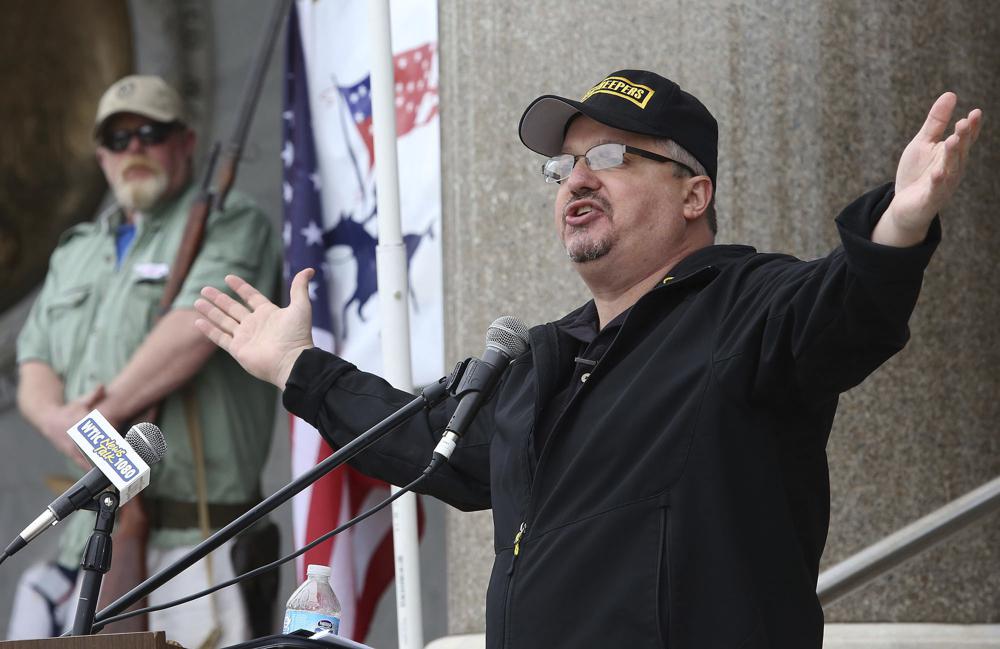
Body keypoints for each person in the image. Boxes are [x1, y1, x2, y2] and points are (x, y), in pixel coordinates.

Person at [192, 70, 982, 648]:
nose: (574, 180)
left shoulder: (750, 305)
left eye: (609, 156)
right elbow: (426, 443)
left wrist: (897, 228)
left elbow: (846, 311)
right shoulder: (541, 360)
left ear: (692, 193)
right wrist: (299, 368)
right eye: (563, 166)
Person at [14, 75, 282, 647]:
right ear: (99, 155)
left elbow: (194, 328)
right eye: (118, 137)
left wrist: (95, 418)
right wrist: (59, 421)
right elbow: (33, 360)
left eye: (150, 133)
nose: (133, 147)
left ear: (185, 142)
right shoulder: (77, 248)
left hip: (198, 542)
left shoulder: (233, 223)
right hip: (83, 539)